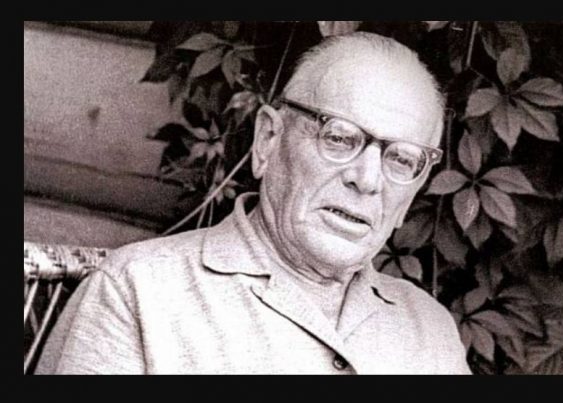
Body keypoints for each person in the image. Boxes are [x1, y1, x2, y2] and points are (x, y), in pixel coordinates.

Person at [36, 31, 472, 375]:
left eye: (402, 159)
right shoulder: (139, 293)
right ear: (267, 139)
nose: (368, 180)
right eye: (339, 138)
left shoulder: (431, 331)